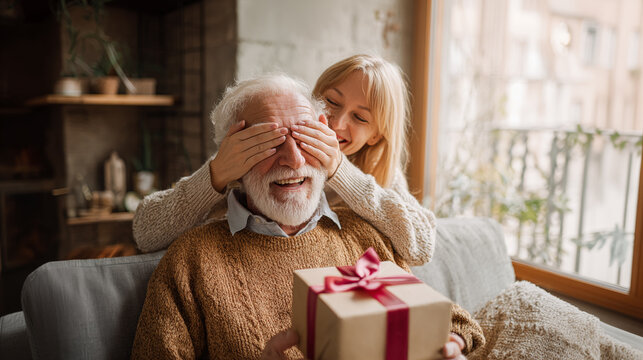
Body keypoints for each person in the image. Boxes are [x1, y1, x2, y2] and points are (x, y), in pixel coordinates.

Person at [131, 74, 483, 360]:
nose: (294, 160)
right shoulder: (192, 259)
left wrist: (449, 345)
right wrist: (218, 172)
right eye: (268, 142)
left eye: (306, 138)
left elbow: (453, 320)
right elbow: (147, 230)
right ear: (234, 152)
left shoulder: (364, 234)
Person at [132, 54, 436, 266]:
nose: (336, 122)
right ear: (315, 101)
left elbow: (422, 246)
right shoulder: (254, 156)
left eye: (359, 117)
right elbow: (147, 231)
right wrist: (215, 174)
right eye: (332, 101)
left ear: (375, 136)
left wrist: (340, 171)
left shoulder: (378, 174)